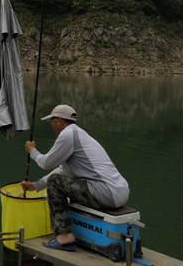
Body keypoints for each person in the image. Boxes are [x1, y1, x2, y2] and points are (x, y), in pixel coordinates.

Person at [19, 103, 129, 251]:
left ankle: (64, 236)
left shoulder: (67, 135)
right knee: (59, 183)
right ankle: (74, 231)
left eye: (51, 121)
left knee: (54, 183)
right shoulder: (80, 135)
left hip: (105, 193)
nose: (51, 126)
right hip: (120, 192)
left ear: (59, 120)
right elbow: (61, 171)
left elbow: (46, 163)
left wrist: (32, 151)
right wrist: (36, 185)